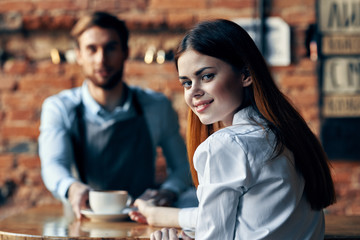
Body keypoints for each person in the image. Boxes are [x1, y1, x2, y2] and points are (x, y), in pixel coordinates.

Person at [129, 19, 336, 239]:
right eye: (187, 83)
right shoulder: (284, 133)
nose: (194, 92)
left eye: (206, 76)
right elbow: (236, 215)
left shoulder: (226, 145)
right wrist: (157, 214)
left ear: (245, 75)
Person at [38, 11, 195, 220]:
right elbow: (54, 164)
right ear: (79, 55)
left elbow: (184, 167)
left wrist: (168, 191)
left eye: (110, 48)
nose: (101, 59)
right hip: (84, 220)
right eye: (91, 49)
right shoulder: (59, 108)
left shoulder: (156, 106)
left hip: (143, 219)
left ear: (125, 52)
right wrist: (71, 188)